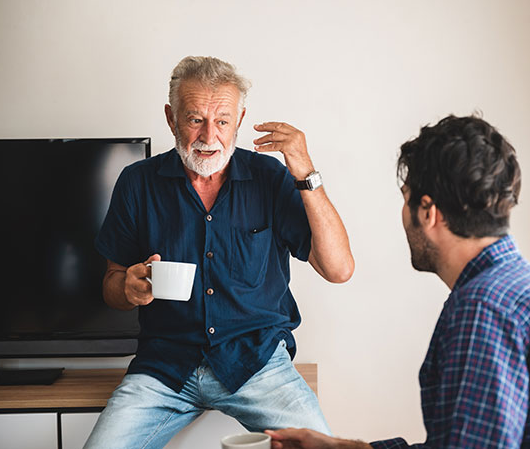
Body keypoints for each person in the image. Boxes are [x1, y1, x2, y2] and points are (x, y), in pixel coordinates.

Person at [266, 115, 530, 448]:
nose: (404, 215)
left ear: (428, 212)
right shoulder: (520, 288)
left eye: (406, 200)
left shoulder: (484, 310)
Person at [84, 56, 354, 448]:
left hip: (258, 364)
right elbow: (111, 282)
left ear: (240, 121)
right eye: (195, 119)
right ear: (171, 118)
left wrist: (304, 170)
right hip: (164, 369)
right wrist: (127, 288)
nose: (210, 136)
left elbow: (339, 269)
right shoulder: (137, 182)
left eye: (223, 121)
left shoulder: (270, 178)